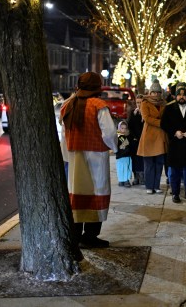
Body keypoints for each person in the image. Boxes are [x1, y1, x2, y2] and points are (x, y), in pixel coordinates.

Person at [60, 71, 118, 248]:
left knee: (75, 194)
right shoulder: (99, 105)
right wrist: (115, 148)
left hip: (73, 156)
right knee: (97, 192)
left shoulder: (67, 104)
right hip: (96, 157)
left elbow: (63, 133)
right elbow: (109, 133)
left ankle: (75, 235)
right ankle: (90, 236)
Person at [160, 82, 186, 203]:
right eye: (179, 95)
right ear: (175, 96)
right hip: (175, 144)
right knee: (175, 172)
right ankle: (175, 193)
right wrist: (174, 132)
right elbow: (163, 124)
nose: (182, 97)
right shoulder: (169, 108)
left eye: (184, 95)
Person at [137, 79, 168, 194]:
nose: (156, 94)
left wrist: (164, 123)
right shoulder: (145, 103)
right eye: (154, 92)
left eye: (158, 92)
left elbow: (166, 117)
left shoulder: (164, 103)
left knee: (159, 163)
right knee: (149, 163)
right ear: (150, 93)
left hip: (160, 136)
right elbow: (146, 118)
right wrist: (161, 123)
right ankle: (149, 186)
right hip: (149, 136)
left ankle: (157, 185)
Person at [128, 94, 144, 185]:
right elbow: (129, 126)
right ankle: (136, 177)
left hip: (143, 139)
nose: (139, 104)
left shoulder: (145, 113)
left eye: (140, 102)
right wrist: (133, 137)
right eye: (137, 102)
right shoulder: (133, 112)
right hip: (134, 140)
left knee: (142, 158)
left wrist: (142, 114)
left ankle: (142, 176)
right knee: (134, 158)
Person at [115, 120, 133, 187]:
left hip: (125, 155)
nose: (124, 130)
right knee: (123, 168)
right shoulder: (120, 135)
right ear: (119, 128)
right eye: (122, 128)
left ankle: (123, 180)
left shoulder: (121, 136)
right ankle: (124, 180)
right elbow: (126, 143)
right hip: (122, 155)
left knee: (124, 168)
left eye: (125, 128)